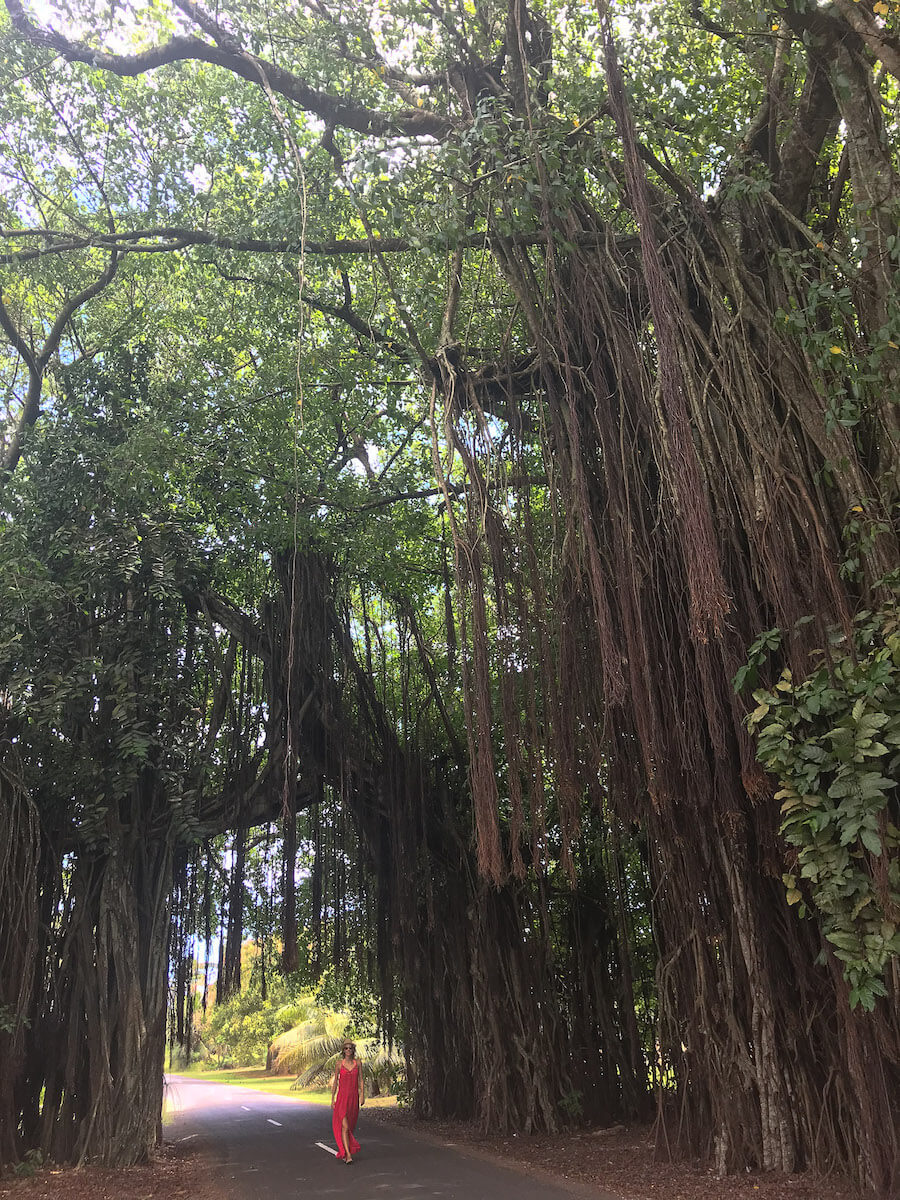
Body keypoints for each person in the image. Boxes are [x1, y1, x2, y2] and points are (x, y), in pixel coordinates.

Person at [330, 1038, 364, 1163]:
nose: (348, 1050)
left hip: (353, 1098)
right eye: (346, 1048)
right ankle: (348, 1155)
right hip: (342, 1099)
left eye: (350, 1048)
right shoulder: (339, 1063)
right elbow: (335, 1082)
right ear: (343, 1050)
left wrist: (362, 1095)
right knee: (344, 1126)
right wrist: (332, 1098)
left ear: (353, 1049)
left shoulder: (358, 1063)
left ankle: (347, 1149)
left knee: (350, 1126)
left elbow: (361, 1079)